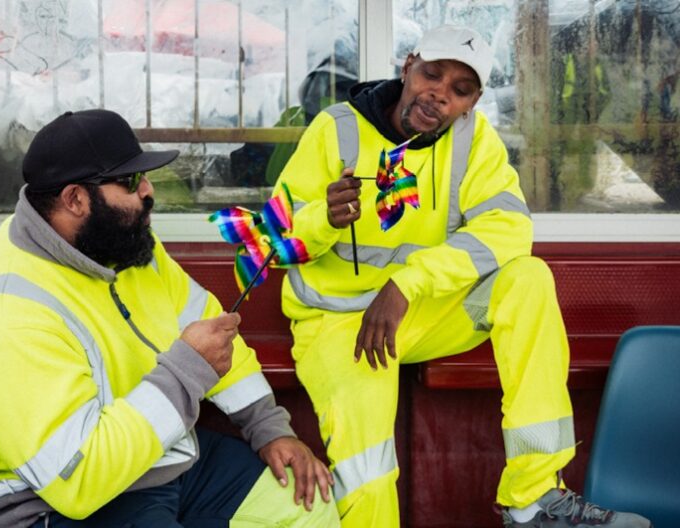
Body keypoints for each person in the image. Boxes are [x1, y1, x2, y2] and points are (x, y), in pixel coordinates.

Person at [271, 24, 652, 528]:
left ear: (472, 103)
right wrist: (323, 218)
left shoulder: (473, 138)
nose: (440, 94)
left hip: (418, 310)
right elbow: (272, 244)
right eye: (432, 74)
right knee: (367, 473)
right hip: (338, 321)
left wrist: (408, 284)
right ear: (408, 66)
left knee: (528, 278)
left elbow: (510, 229)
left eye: (460, 89)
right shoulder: (335, 128)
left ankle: (533, 498)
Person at [0, 109, 340, 528]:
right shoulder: (8, 317)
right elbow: (78, 480)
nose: (148, 191)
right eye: (130, 181)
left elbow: (210, 330)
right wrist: (186, 371)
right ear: (75, 199)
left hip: (149, 462)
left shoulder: (123, 247)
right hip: (37, 507)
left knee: (306, 504)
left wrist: (270, 428)